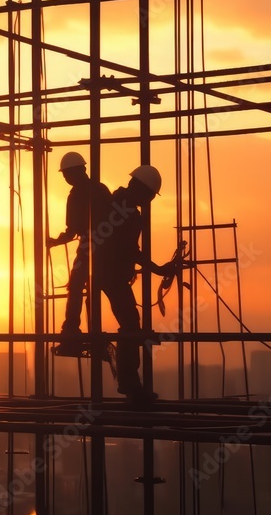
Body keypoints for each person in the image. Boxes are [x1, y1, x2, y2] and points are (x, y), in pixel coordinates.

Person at [104, 164, 179, 404]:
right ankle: (129, 383)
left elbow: (122, 249)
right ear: (142, 190)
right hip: (112, 275)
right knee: (131, 326)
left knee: (130, 324)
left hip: (106, 273)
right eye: (149, 196)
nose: (149, 201)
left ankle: (130, 382)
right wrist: (158, 269)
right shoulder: (128, 211)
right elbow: (130, 250)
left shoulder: (115, 202)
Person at [47, 152, 115, 357]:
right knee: (91, 291)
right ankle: (92, 331)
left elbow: (72, 230)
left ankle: (71, 331)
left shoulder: (77, 194)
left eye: (67, 174)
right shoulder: (101, 189)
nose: (66, 178)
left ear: (79, 171)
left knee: (76, 288)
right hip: (105, 249)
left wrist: (54, 242)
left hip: (89, 249)